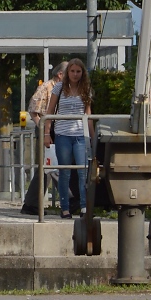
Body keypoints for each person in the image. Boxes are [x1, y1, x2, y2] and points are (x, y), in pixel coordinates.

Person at [42, 59, 93, 219]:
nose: (75, 74)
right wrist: (46, 133)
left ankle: (84, 207)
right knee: (64, 172)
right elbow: (50, 111)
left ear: (82, 73)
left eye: (78, 71)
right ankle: (65, 208)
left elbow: (88, 114)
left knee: (83, 171)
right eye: (72, 71)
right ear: (67, 73)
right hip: (62, 134)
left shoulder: (86, 89)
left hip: (80, 134)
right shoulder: (59, 87)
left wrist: (91, 136)